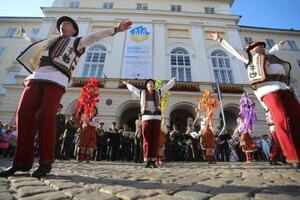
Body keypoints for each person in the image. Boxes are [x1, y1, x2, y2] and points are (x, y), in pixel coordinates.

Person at [0, 16, 132, 178]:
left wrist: (116, 29)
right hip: (35, 78)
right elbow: (34, 39)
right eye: (61, 23)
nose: (63, 24)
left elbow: (95, 36)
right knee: (23, 116)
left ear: (74, 30)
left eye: (67, 23)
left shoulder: (77, 41)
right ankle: (20, 162)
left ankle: (45, 162)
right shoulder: (48, 41)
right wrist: (24, 34)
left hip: (56, 81)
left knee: (46, 117)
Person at [210, 33, 300, 169]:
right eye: (256, 47)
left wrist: (280, 44)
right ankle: (292, 156)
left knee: (296, 118)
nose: (259, 48)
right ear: (251, 50)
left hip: (285, 88)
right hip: (268, 90)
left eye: (261, 46)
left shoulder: (271, 56)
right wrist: (220, 40)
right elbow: (234, 50)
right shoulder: (249, 58)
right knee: (282, 120)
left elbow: (274, 49)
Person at [123, 78, 176, 168]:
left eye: (152, 83)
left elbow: (167, 87)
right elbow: (133, 89)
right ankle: (147, 160)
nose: (151, 85)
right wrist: (127, 84)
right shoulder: (142, 93)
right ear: (146, 86)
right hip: (146, 118)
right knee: (147, 140)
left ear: (154, 86)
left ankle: (153, 161)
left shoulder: (158, 92)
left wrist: (173, 80)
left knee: (155, 140)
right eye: (149, 83)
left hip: (156, 118)